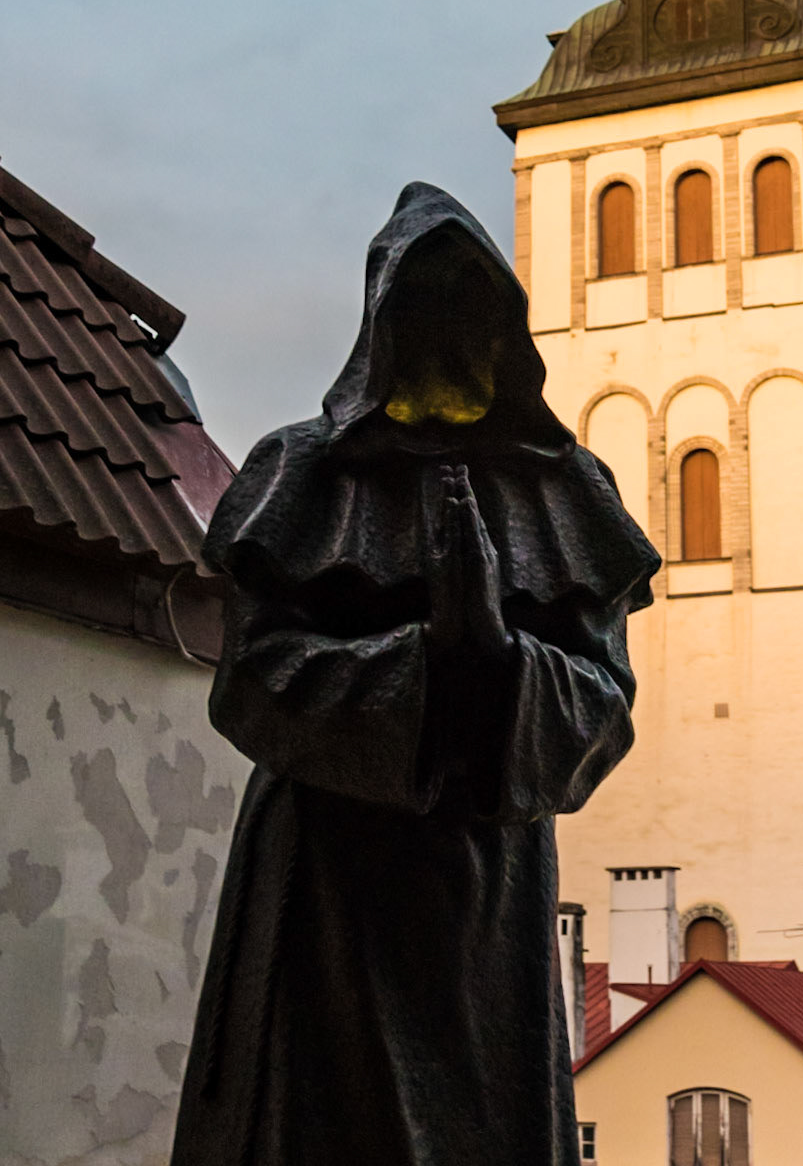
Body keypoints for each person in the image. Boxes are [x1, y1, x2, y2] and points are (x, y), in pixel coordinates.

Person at [171, 182, 659, 1166]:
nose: (441, 333)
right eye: (419, 303)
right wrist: (421, 664)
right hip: (324, 882)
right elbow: (256, 681)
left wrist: (494, 657)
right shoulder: (304, 474)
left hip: (489, 895)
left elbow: (601, 706)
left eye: (465, 304)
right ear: (378, 319)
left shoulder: (562, 490)